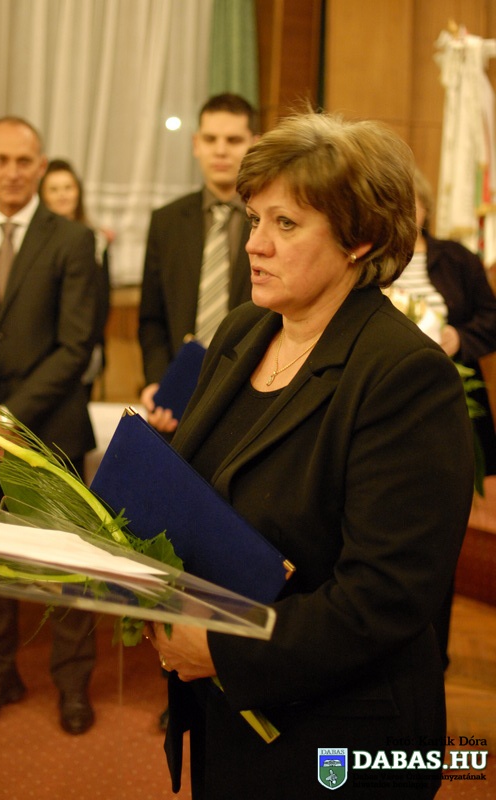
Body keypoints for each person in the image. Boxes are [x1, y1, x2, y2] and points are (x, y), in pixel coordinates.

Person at [144, 112, 475, 799]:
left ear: (359, 239)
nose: (254, 245)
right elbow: (203, 491)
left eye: (285, 224)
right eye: (253, 219)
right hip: (228, 714)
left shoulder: (405, 374)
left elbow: (385, 597)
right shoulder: (242, 331)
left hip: (337, 733)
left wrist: (223, 647)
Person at [0, 117, 99, 735]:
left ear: (42, 166)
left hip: (50, 431)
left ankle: (73, 686)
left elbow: (75, 346)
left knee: (63, 566)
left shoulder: (73, 240)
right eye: (1, 159)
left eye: (25, 160)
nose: (13, 171)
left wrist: (9, 414)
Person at [389, 167, 496, 670]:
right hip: (389, 420)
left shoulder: (457, 260)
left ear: (427, 208)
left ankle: (435, 654)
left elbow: (492, 319)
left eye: (411, 202)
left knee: (440, 535)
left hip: (451, 414)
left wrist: (458, 338)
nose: (403, 212)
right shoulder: (368, 259)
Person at [138, 93, 259, 434]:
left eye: (233, 140)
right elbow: (152, 318)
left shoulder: (271, 220)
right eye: (210, 139)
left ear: (254, 144)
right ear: (196, 144)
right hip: (179, 400)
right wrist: (158, 382)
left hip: (251, 398)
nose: (220, 151)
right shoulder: (166, 221)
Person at [39, 158, 112, 399]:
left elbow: (102, 299)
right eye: (54, 189)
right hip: (40, 350)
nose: (62, 195)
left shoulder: (97, 240)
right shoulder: (34, 243)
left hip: (84, 347)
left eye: (68, 188)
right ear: (43, 195)